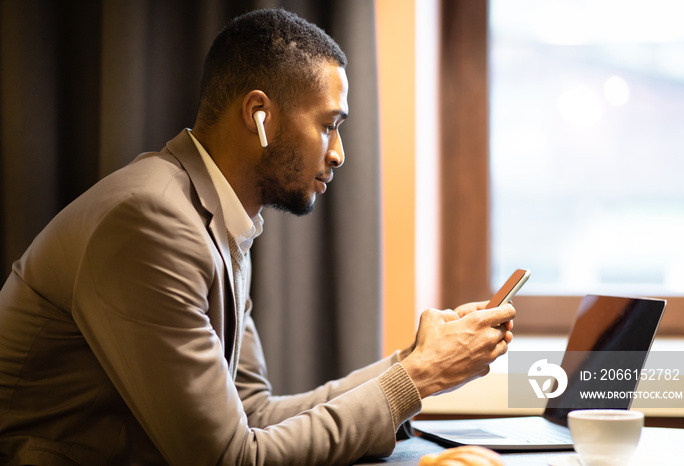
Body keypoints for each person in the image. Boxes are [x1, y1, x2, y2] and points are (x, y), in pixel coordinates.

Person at [0, 8, 515, 466]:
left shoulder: (214, 219)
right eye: (328, 125)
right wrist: (419, 378)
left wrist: (416, 363)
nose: (337, 153)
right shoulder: (150, 222)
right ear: (258, 115)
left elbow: (254, 414)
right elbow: (228, 456)